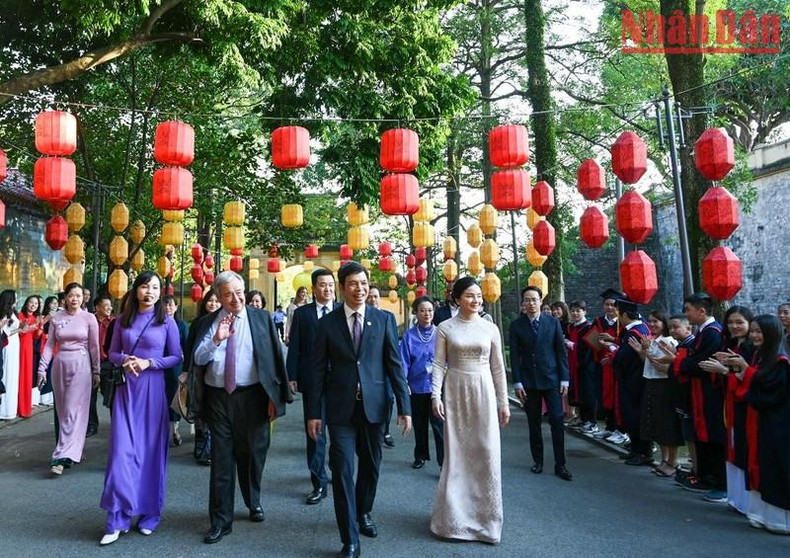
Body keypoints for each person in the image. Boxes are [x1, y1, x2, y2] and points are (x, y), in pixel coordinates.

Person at [307, 262, 411, 558]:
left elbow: (394, 366)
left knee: (371, 467)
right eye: (353, 283)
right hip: (340, 411)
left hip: (375, 407)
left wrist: (405, 407)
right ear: (343, 288)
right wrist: (314, 412)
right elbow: (316, 372)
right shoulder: (327, 324)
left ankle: (364, 511)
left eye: (364, 283)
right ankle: (349, 538)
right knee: (341, 469)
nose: (360, 288)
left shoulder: (384, 320)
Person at [189, 271, 291, 544]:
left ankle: (253, 500)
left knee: (252, 455)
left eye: (238, 292)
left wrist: (274, 396)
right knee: (222, 459)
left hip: (254, 396)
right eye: (227, 295)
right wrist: (216, 339)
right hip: (219, 398)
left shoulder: (261, 319)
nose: (235, 299)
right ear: (218, 297)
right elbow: (198, 359)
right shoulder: (208, 322)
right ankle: (221, 520)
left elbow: (273, 359)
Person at [99, 271, 183, 545]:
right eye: (145, 286)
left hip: (153, 390)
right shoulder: (122, 320)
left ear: (160, 293)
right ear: (136, 290)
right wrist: (126, 358)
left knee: (150, 454)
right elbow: (110, 352)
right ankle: (117, 519)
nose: (150, 291)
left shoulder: (166, 321)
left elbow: (176, 356)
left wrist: (150, 363)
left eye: (155, 287)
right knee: (120, 455)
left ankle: (149, 514)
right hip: (126, 391)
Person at [432, 276, 509, 544]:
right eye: (469, 296)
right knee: (458, 455)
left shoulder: (491, 328)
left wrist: (503, 401)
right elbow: (439, 364)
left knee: (486, 451)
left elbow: (498, 367)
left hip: (484, 391)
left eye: (479, 296)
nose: (476, 300)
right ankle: (454, 521)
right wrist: (435, 395)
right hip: (455, 391)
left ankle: (487, 523)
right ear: (457, 298)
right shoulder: (444, 327)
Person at [721, 315, 790, 534]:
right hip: (758, 421)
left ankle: (780, 520)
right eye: (753, 331)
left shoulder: (781, 361)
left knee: (773, 466)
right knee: (757, 463)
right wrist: (739, 369)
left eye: (759, 331)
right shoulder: (759, 356)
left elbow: (771, 393)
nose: (755, 336)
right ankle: (759, 513)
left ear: (772, 333)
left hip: (776, 425)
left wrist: (745, 370)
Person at [286, 268, 339, 505]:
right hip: (312, 381)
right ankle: (318, 482)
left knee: (340, 432)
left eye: (330, 284)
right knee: (315, 433)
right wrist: (292, 375)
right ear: (314, 288)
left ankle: (338, 473)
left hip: (340, 383)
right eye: (322, 285)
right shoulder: (303, 314)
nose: (327, 289)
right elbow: (295, 345)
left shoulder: (342, 311)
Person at [35, 283, 100, 474]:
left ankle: (60, 457)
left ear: (83, 298)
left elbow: (94, 347)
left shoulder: (89, 318)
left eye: (78, 295)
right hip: (60, 365)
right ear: (65, 298)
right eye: (71, 295)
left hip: (81, 365)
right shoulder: (56, 318)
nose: (75, 299)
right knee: (63, 411)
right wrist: (41, 369)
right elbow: (49, 345)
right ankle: (72, 451)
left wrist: (96, 370)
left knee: (72, 410)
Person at [510, 285, 571, 481]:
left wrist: (565, 379)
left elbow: (561, 353)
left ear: (541, 300)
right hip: (529, 381)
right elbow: (515, 356)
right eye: (527, 300)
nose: (530, 303)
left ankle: (560, 464)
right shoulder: (517, 325)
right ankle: (538, 461)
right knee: (533, 422)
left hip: (552, 379)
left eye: (534, 299)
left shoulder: (552, 322)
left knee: (557, 420)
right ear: (523, 303)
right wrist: (517, 383)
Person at [699, 305, 754, 514]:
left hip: (743, 404)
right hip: (728, 402)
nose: (734, 326)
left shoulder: (750, 349)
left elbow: (751, 379)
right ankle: (735, 496)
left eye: (739, 322)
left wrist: (724, 371)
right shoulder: (730, 345)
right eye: (731, 322)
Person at [676, 293, 727, 502]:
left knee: (714, 437)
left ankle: (719, 481)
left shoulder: (713, 334)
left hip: (711, 394)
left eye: (688, 309)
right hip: (700, 392)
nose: (686, 314)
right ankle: (707, 476)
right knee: (704, 437)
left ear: (701, 310)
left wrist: (681, 362)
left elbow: (700, 363)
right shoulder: (704, 332)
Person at [602, 295, 652, 466]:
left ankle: (643, 451)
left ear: (623, 315)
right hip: (632, 379)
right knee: (631, 415)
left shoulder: (635, 333)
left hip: (635, 381)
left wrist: (612, 353)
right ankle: (636, 448)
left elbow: (624, 358)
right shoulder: (638, 329)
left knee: (635, 415)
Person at [632, 309, 682, 477]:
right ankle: (664, 458)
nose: (652, 325)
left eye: (656, 322)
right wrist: (643, 351)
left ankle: (672, 461)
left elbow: (662, 366)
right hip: (651, 382)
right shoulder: (654, 340)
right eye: (650, 321)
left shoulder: (668, 342)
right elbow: (647, 363)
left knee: (667, 423)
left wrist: (648, 351)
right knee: (656, 423)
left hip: (664, 385)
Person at [400, 296, 443, 470]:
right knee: (419, 424)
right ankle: (421, 455)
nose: (427, 314)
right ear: (416, 313)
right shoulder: (409, 336)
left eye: (430, 310)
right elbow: (403, 361)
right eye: (423, 310)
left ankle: (444, 461)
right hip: (416, 388)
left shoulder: (441, 333)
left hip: (437, 388)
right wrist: (403, 384)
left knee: (439, 425)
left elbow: (447, 358)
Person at [187, 289, 222, 466]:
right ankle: (201, 447)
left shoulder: (225, 321)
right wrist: (186, 372)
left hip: (217, 374)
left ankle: (212, 448)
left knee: (214, 411)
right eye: (210, 301)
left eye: (217, 301)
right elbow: (190, 349)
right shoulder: (198, 323)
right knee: (200, 409)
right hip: (199, 373)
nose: (213, 304)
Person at [588, 290, 622, 442]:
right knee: (604, 397)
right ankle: (609, 427)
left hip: (616, 365)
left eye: (613, 305)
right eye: (607, 305)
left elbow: (625, 342)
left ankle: (619, 429)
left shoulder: (623, 323)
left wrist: (611, 342)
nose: (609, 308)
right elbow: (592, 340)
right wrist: (599, 345)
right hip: (601, 364)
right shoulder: (598, 321)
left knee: (616, 397)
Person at [367, 286, 395, 449]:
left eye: (376, 296)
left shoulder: (388, 317)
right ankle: (376, 430)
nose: (373, 299)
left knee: (389, 398)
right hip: (370, 366)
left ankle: (386, 430)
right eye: (370, 297)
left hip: (386, 365)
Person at [566, 300, 596, 433]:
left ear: (585, 311)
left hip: (586, 366)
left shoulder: (589, 327)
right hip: (574, 365)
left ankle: (591, 421)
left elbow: (591, 347)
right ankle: (582, 418)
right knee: (578, 393)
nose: (575, 313)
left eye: (578, 311)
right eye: (573, 311)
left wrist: (571, 345)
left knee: (588, 392)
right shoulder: (571, 327)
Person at [164, 294, 189, 446]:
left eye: (171, 305)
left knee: (175, 398)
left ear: (176, 307)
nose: (168, 308)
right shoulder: (156, 324)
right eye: (165, 305)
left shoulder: (182, 325)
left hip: (176, 366)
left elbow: (187, 347)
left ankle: (175, 429)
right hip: (159, 366)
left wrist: (186, 370)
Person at [17, 295, 42, 418]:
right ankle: (18, 406)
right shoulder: (20, 316)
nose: (33, 305)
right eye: (31, 302)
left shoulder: (34, 318)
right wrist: (29, 328)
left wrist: (40, 326)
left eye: (36, 304)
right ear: (26, 303)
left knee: (27, 376)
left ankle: (26, 406)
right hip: (20, 348)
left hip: (29, 349)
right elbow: (18, 333)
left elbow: (36, 337)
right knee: (20, 376)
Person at [0, 290, 22, 420]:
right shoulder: (4, 313)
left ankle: (10, 409)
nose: (17, 299)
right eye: (15, 297)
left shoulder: (13, 312)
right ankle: (4, 409)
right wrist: (20, 329)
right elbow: (5, 332)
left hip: (15, 343)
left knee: (13, 374)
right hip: (7, 345)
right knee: (6, 373)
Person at [93, 295, 116, 410]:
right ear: (97, 307)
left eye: (110, 306)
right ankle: (91, 426)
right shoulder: (90, 320)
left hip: (107, 362)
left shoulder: (114, 322)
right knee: (90, 397)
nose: (109, 308)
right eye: (106, 305)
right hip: (90, 362)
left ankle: (116, 422)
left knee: (110, 395)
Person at [37, 296, 59, 407]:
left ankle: (50, 396)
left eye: (56, 303)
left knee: (52, 371)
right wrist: (47, 319)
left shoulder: (59, 316)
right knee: (45, 369)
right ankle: (43, 396)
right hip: (45, 346)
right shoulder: (44, 317)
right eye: (52, 303)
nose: (54, 305)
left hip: (55, 347)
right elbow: (39, 331)